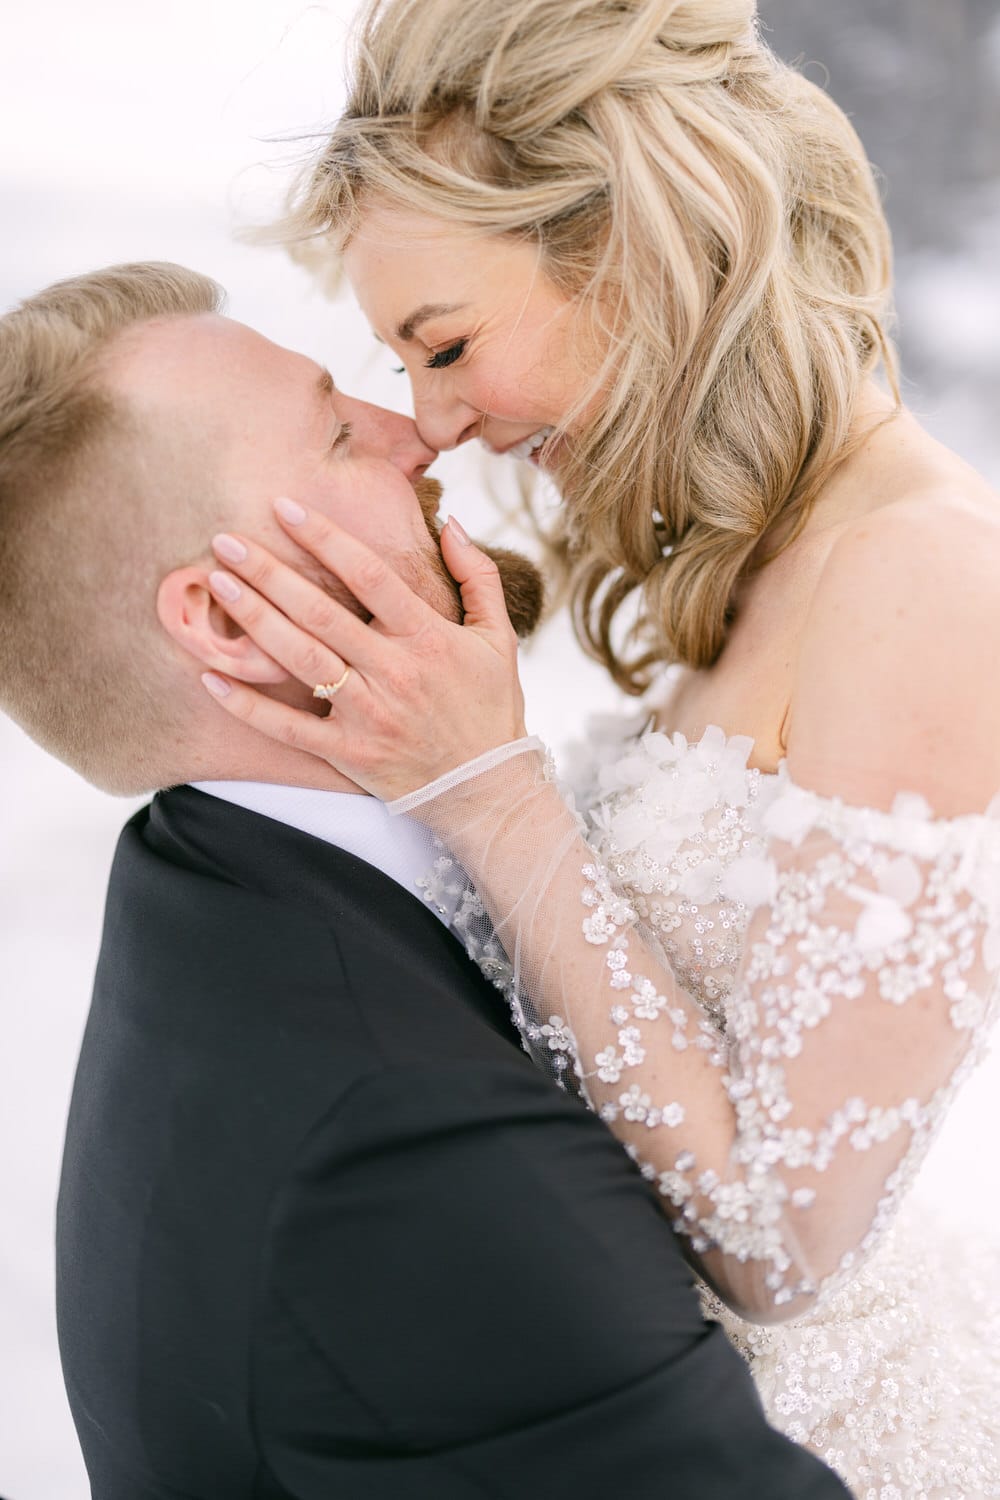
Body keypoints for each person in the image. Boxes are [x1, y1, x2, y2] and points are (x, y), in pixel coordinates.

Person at [197, 0, 1000, 1494]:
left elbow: (785, 1244)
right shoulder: (762, 547)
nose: (429, 424)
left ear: (627, 245)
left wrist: (488, 786)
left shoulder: (929, 576)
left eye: (443, 346)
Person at [0, 261, 849, 1500]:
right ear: (228, 624)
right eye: (342, 434)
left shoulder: (202, 891)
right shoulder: (401, 1148)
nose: (418, 432)